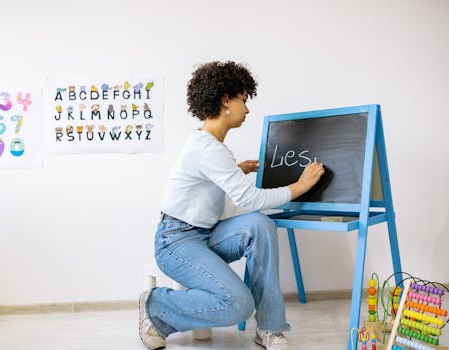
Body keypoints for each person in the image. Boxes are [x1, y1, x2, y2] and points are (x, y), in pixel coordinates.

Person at [138, 61, 325, 350]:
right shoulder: (208, 149)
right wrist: (299, 187)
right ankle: (156, 305)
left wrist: (234, 170)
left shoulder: (212, 148)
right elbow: (249, 199)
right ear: (226, 99)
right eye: (244, 99)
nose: (247, 109)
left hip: (203, 234)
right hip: (175, 241)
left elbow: (207, 185)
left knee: (260, 224)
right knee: (238, 304)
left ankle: (270, 328)